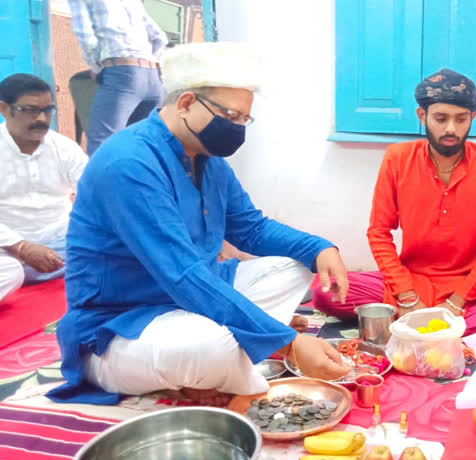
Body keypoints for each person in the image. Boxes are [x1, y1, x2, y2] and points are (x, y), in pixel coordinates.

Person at [48, 42, 351, 405]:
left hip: (189, 303)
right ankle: (238, 353)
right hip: (121, 326)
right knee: (215, 345)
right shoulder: (129, 163)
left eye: (244, 119)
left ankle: (237, 346)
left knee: (292, 268)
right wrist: (288, 344)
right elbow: (183, 275)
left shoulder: (207, 160)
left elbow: (251, 229)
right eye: (231, 115)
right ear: (187, 103)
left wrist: (318, 248)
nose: (238, 128)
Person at [313, 69, 476, 335]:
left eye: (461, 119)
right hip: (410, 280)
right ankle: (441, 327)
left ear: (472, 117)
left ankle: (419, 324)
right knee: (325, 291)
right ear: (422, 116)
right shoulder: (398, 158)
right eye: (441, 118)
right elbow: (379, 232)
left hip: (468, 288)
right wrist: (406, 295)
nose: (451, 128)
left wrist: (459, 300)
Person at [0, 74, 87, 303]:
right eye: (30, 110)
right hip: (7, 250)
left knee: (119, 247)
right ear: (4, 109)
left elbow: (94, 195)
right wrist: (21, 247)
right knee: (10, 272)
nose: (42, 118)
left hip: (60, 248)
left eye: (48, 110)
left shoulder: (65, 148)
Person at [67, 0, 167, 155]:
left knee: (103, 145)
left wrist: (96, 67)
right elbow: (160, 37)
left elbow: (84, 34)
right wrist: (148, 61)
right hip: (152, 78)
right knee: (144, 146)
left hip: (122, 75)